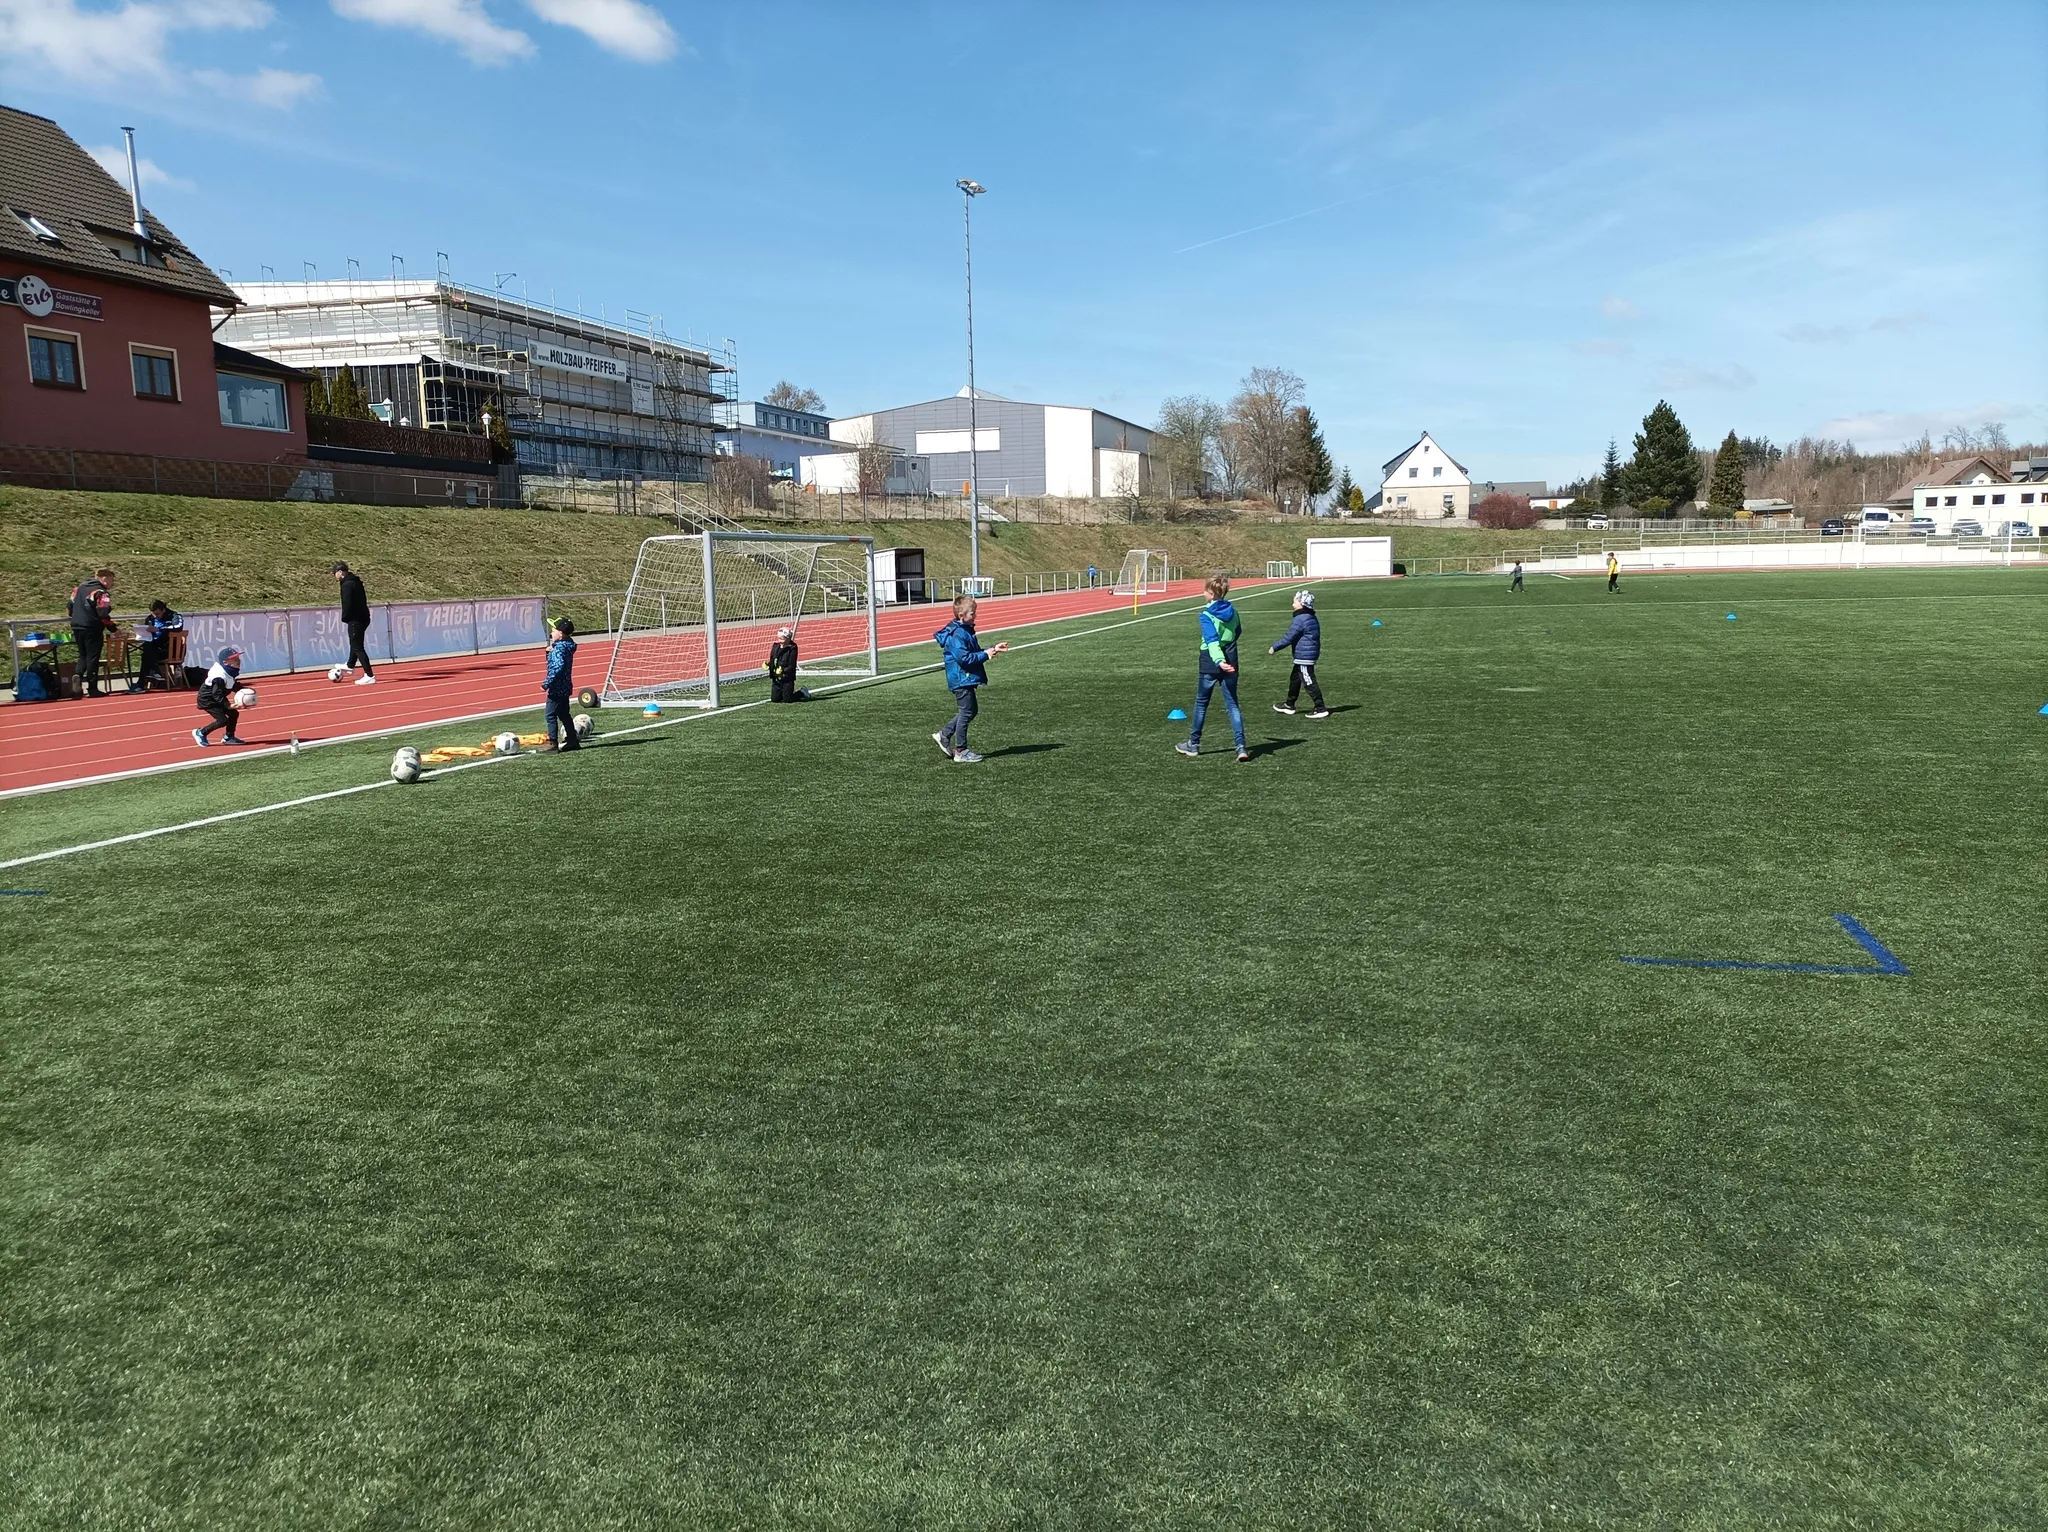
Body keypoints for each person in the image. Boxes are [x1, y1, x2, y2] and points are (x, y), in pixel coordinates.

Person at [1176, 572, 1249, 763]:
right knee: (1232, 704)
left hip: (1211, 662)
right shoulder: (1233, 611)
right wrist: (1227, 653)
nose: (1203, 593)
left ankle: (1193, 744)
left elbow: (1212, 641)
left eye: (1204, 590)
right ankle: (1241, 746)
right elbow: (1237, 631)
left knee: (1201, 703)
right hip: (1231, 659)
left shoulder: (1206, 615)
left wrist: (1219, 660)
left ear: (1211, 593)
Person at [931, 594, 1008, 764]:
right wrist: (985, 655)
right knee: (967, 712)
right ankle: (960, 750)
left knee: (970, 711)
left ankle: (944, 734)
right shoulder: (957, 634)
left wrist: (992, 649)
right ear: (961, 615)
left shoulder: (964, 630)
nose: (975, 616)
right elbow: (964, 658)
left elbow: (973, 652)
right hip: (961, 678)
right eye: (972, 613)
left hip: (964, 677)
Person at [1269, 588, 1328, 719]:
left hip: (1304, 656)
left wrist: (1274, 647)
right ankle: (1289, 704)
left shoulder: (1301, 619)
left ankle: (1320, 707)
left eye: (1295, 602)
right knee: (1295, 679)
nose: (1292, 604)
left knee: (1308, 680)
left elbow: (1289, 637)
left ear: (1302, 604)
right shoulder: (1310, 616)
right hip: (1305, 654)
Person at [67, 566, 117, 698]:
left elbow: (69, 606)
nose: (112, 584)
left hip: (77, 625)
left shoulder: (78, 589)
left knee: (82, 654)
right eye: (112, 580)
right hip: (92, 627)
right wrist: (114, 629)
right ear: (104, 579)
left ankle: (78, 675)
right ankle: (92, 687)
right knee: (92, 657)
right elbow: (103, 614)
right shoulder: (101, 592)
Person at [191, 647, 247, 747]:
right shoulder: (219, 676)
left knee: (234, 714)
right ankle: (201, 732)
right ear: (225, 662)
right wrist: (228, 705)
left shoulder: (229, 671)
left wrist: (245, 690)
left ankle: (229, 737)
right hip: (207, 700)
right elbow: (217, 694)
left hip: (216, 697)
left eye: (238, 658)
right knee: (222, 720)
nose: (238, 661)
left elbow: (232, 684)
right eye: (234, 659)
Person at [332, 561, 377, 685]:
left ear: (340, 572)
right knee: (355, 642)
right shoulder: (356, 581)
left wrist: (345, 617)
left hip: (355, 619)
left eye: (334, 573)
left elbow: (347, 603)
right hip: (364, 617)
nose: (334, 575)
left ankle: (369, 675)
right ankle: (350, 664)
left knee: (357, 646)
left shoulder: (347, 585)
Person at [541, 617, 580, 751]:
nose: (551, 633)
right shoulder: (567, 646)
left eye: (553, 631)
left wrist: (546, 683)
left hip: (556, 687)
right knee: (564, 714)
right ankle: (572, 739)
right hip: (565, 686)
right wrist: (549, 653)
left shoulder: (559, 649)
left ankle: (552, 743)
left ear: (561, 633)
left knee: (550, 714)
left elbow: (557, 667)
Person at [137, 600, 183, 690]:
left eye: (158, 614)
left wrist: (159, 629)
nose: (155, 616)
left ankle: (142, 684)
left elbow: (178, 627)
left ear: (163, 610)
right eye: (153, 614)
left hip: (170, 649)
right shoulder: (150, 618)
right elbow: (147, 630)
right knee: (147, 651)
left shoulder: (174, 616)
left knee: (147, 655)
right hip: (155, 648)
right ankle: (153, 673)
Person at [765, 626, 803, 703]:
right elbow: (773, 660)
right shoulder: (775, 647)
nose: (780, 640)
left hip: (787, 678)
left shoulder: (792, 648)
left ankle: (802, 692)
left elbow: (792, 665)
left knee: (787, 699)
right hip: (776, 678)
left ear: (788, 638)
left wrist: (783, 670)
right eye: (779, 638)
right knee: (775, 699)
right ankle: (784, 692)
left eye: (782, 639)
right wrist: (768, 665)